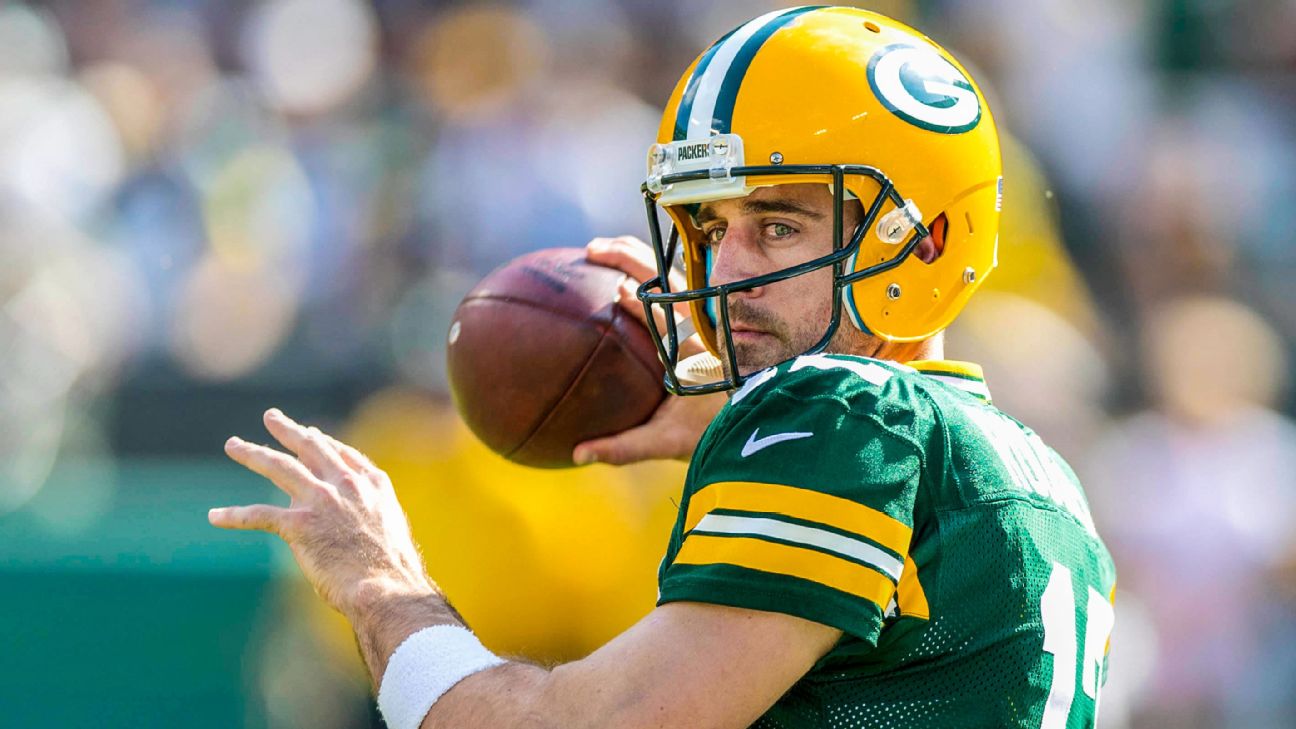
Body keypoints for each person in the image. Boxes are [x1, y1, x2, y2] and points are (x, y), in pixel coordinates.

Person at [210, 7, 1116, 728]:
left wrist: (381, 584)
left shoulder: (847, 411)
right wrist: (738, 428)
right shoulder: (1029, 465)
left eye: (778, 225)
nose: (724, 273)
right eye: (710, 229)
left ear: (925, 243)